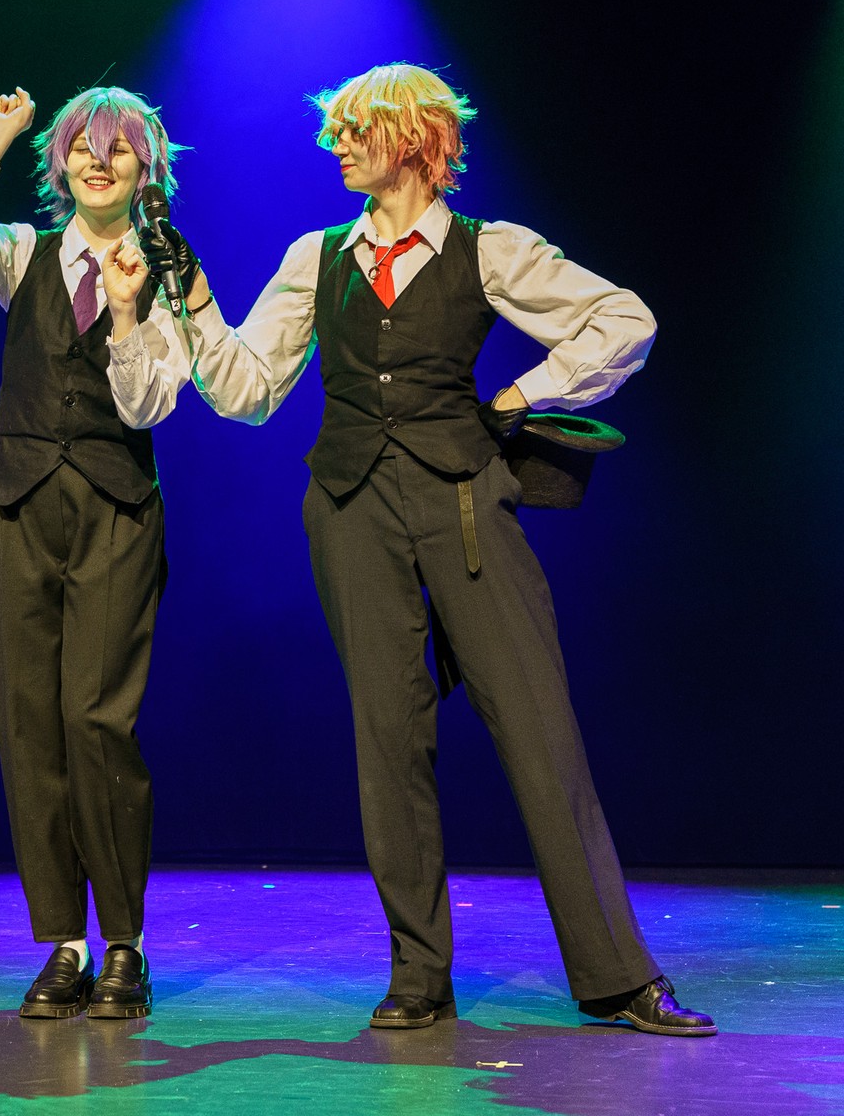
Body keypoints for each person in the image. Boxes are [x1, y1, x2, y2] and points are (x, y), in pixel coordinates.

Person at [111, 62, 715, 1036]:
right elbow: (246, 390)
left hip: (465, 502)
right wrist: (195, 300)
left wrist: (522, 394)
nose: (338, 144)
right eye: (338, 131)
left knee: (539, 730)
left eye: (359, 129)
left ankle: (618, 974)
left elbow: (624, 320)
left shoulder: (488, 247)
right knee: (389, 739)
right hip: (351, 507)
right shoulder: (318, 256)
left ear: (417, 139)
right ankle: (419, 976)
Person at [0, 85, 186, 1019]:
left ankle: (125, 944)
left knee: (96, 721)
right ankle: (64, 943)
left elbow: (150, 406)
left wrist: (126, 315)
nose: (97, 163)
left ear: (146, 170)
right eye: (82, 148)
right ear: (62, 162)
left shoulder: (165, 270)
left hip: (114, 507)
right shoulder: (24, 253)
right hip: (16, 503)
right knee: (30, 722)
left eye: (118, 150)